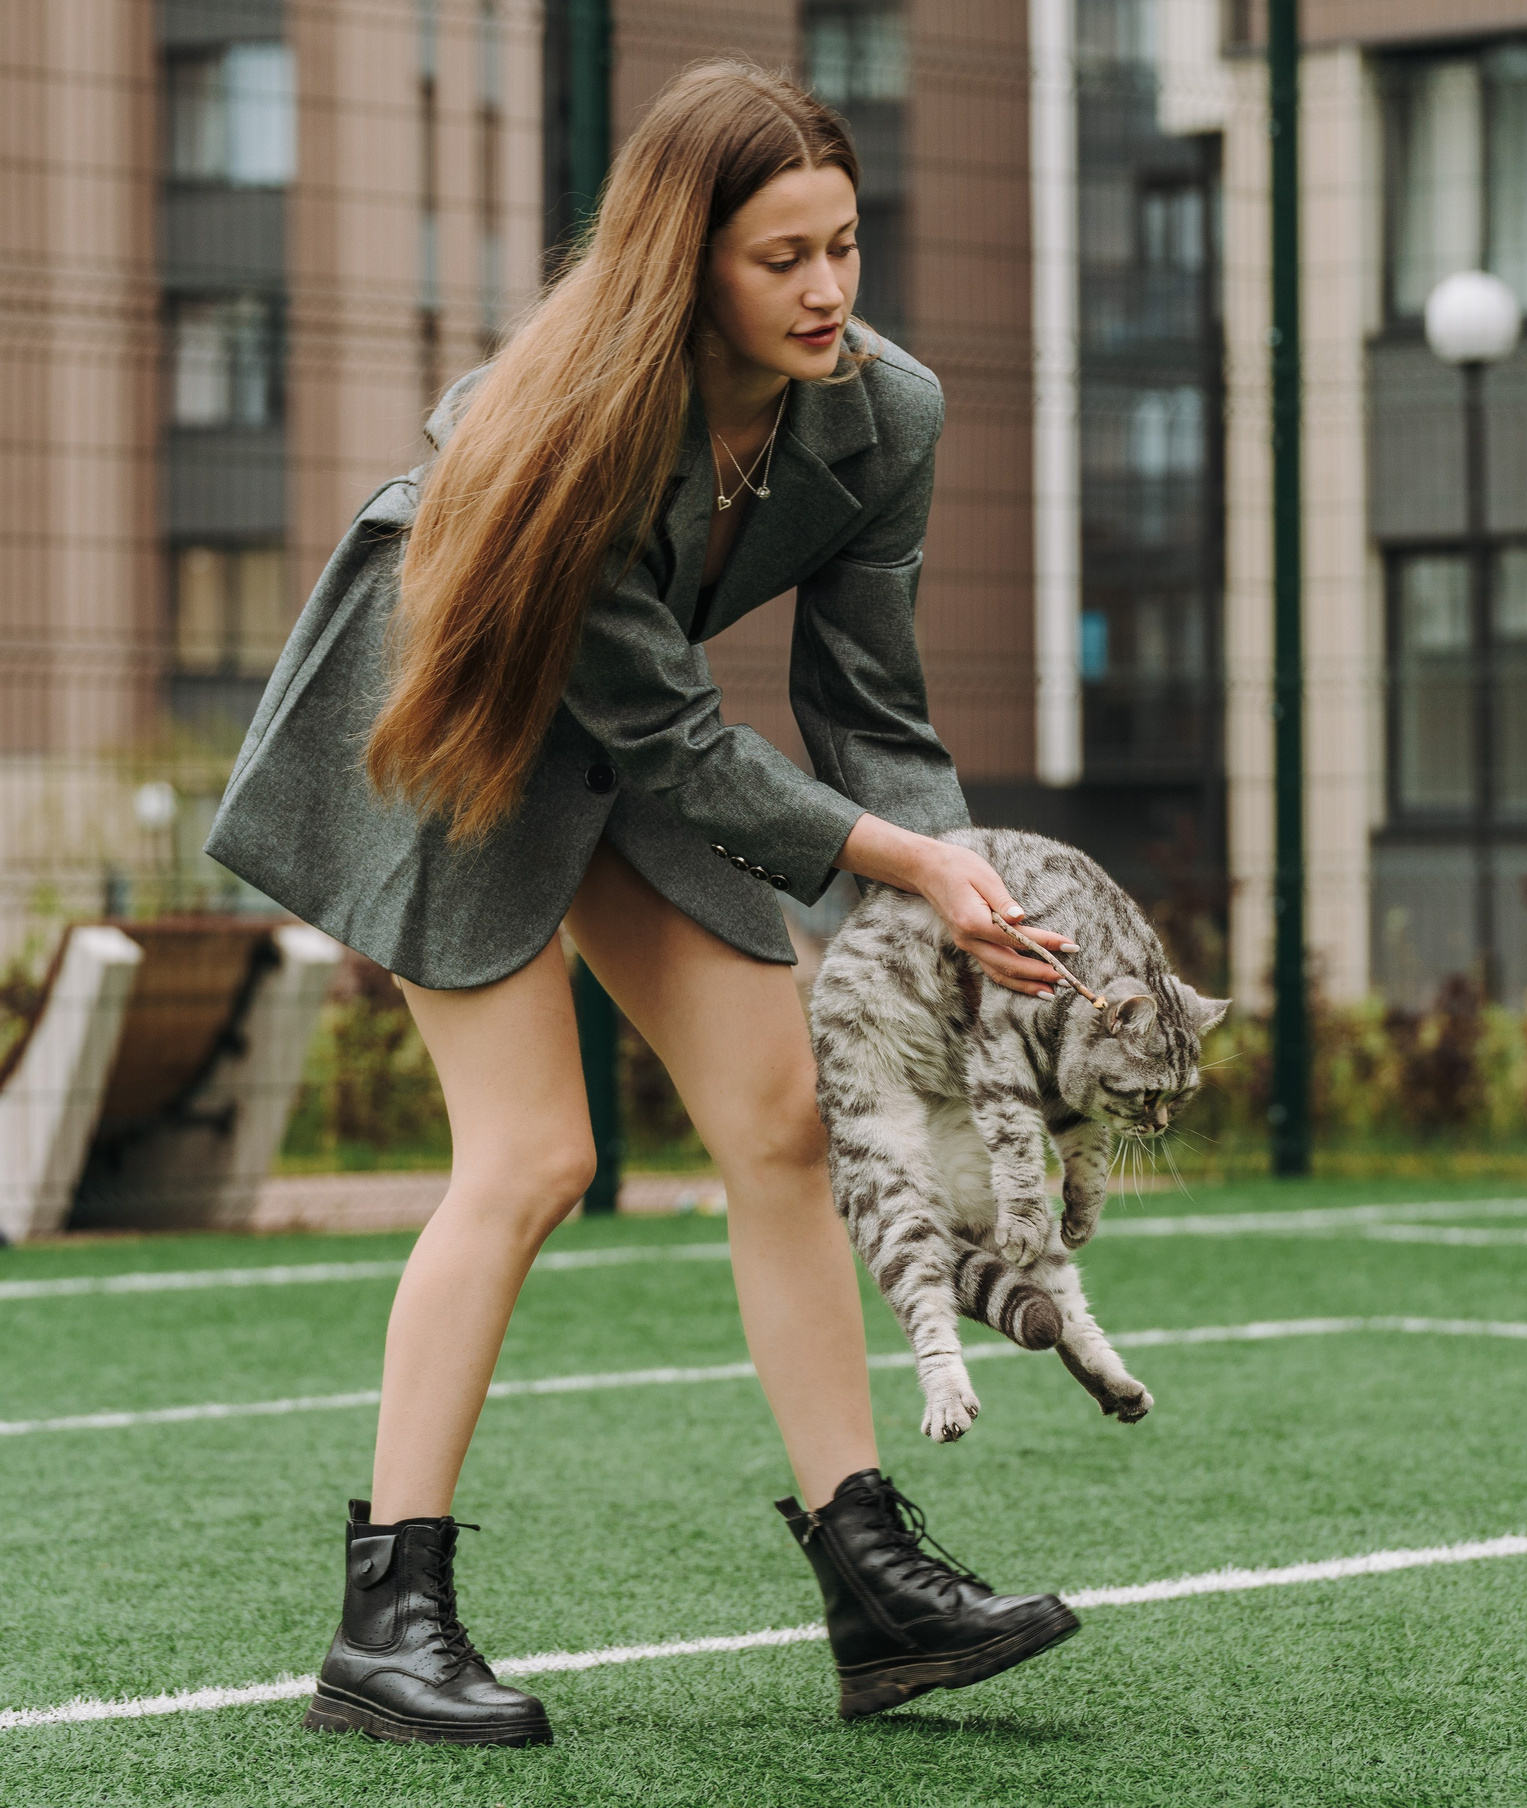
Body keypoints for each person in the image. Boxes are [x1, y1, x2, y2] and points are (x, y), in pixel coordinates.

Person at [203, 60, 1082, 1746]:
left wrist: (950, 891)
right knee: (533, 1157)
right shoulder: (567, 429)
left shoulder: (883, 413)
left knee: (780, 1122)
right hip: (451, 715)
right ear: (687, 264)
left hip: (637, 736)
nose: (828, 291)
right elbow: (675, 740)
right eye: (781, 259)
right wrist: (893, 865)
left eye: (843, 245)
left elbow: (871, 711)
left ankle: (873, 1583)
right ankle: (387, 1622)